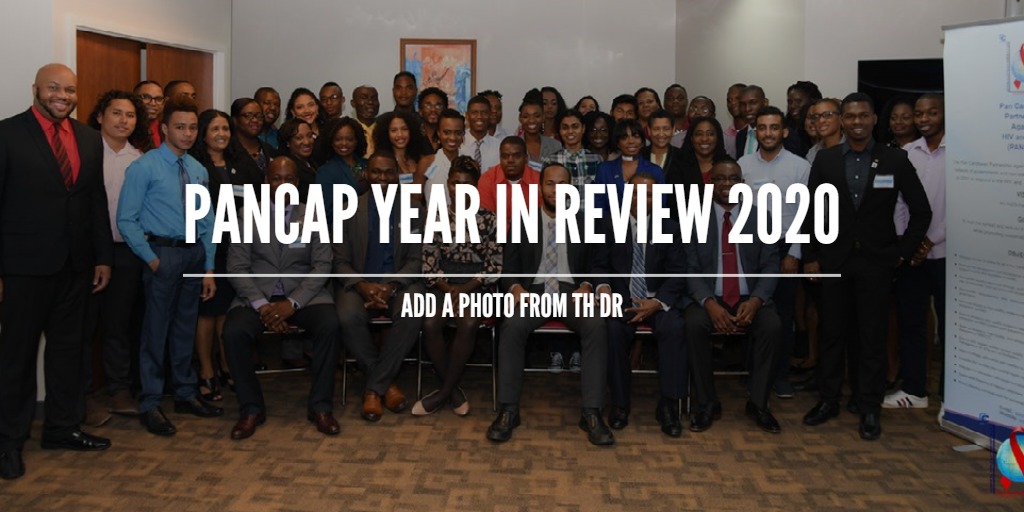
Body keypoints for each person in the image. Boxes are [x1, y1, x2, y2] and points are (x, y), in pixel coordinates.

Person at [0, 64, 114, 480]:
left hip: (76, 267)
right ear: (36, 89)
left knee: (69, 353)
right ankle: (8, 441)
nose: (62, 96)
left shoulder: (88, 138)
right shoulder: (7, 134)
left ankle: (62, 428)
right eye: (53, 88)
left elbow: (95, 200)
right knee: (17, 358)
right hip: (22, 268)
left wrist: (103, 257)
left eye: (69, 89)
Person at [801, 92, 932, 441]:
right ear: (842, 121)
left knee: (872, 337)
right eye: (850, 116)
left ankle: (869, 405)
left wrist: (902, 253)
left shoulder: (895, 159)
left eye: (863, 116)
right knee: (832, 334)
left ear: (874, 119)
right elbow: (811, 211)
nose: (857, 122)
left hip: (877, 264)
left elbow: (922, 211)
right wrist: (811, 256)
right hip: (834, 260)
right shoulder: (827, 159)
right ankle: (828, 400)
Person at [117, 97, 223, 437]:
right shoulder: (144, 167)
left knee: (184, 328)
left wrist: (209, 268)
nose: (187, 133)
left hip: (194, 255)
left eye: (192, 127)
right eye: (180, 127)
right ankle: (150, 401)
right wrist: (151, 259)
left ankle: (185, 393)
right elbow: (126, 219)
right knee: (155, 331)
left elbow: (207, 222)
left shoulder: (198, 169)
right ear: (164, 128)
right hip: (162, 254)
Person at [486, 163, 613, 446]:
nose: (556, 190)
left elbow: (596, 265)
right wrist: (516, 289)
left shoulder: (586, 221)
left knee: (595, 324)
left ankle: (592, 412)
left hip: (571, 292)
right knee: (512, 326)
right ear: (540, 188)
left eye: (562, 183)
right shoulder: (523, 220)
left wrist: (587, 285)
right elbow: (509, 269)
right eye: (550, 183)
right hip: (534, 292)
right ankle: (509, 410)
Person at [222, 156, 341, 440]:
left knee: (331, 325)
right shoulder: (245, 214)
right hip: (258, 296)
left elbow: (322, 265)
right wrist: (263, 306)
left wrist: (293, 303)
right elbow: (236, 267)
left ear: (297, 183)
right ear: (267, 182)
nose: (283, 184)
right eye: (277, 178)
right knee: (233, 331)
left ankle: (320, 406)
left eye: (289, 179)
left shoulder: (312, 214)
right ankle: (251, 408)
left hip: (304, 295)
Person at [684, 157, 782, 434]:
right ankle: (707, 403)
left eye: (733, 178)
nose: (727, 184)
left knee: (772, 326)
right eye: (720, 178)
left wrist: (756, 300)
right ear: (710, 183)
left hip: (749, 297)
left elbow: (771, 265)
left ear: (742, 183)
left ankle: (759, 404)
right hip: (708, 297)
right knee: (692, 325)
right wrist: (709, 303)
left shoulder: (761, 216)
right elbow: (689, 268)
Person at [592, 173, 689, 438]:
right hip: (623, 300)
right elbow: (599, 265)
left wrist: (656, 303)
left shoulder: (670, 227)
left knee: (675, 328)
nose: (641, 199)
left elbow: (678, 272)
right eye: (635, 192)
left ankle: (668, 405)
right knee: (612, 330)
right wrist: (603, 289)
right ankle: (620, 404)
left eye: (648, 194)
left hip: (657, 299)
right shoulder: (609, 224)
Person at [333, 152, 425, 422]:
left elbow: (417, 259)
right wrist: (362, 285)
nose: (382, 177)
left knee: (413, 309)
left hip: (399, 283)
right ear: (366, 175)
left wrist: (391, 285)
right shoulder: (348, 210)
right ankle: (385, 384)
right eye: (376, 172)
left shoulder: (413, 210)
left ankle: (373, 389)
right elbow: (339, 261)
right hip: (359, 283)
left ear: (397, 176)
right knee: (346, 316)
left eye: (388, 172)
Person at [84, 90, 152, 421]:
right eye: (116, 113)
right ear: (100, 116)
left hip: (126, 251)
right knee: (82, 325)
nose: (123, 120)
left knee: (118, 323)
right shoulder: (83, 152)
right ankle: (82, 394)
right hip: (85, 251)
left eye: (130, 115)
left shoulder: (140, 160)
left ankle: (119, 388)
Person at [415, 156, 502, 416]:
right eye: (455, 183)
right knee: (430, 323)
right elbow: (428, 261)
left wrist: (464, 289)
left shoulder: (489, 219)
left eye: (467, 184)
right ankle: (452, 391)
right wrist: (449, 288)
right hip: (442, 283)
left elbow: (495, 265)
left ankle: (442, 393)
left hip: (477, 285)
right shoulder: (436, 216)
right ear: (448, 184)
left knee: (468, 322)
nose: (459, 189)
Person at [189, 108, 264, 402]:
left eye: (225, 129)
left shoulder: (240, 164)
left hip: (238, 248)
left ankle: (225, 364)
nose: (221, 134)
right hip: (208, 249)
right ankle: (206, 370)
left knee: (227, 311)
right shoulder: (195, 166)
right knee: (207, 312)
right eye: (215, 129)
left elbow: (257, 199)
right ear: (203, 134)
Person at [738, 106, 811, 399]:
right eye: (762, 128)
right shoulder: (742, 165)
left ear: (784, 131)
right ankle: (753, 373)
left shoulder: (799, 166)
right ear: (755, 132)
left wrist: (794, 253)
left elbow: (805, 214)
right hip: (748, 248)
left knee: (782, 314)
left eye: (774, 127)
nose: (768, 133)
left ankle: (779, 376)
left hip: (783, 247)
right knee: (749, 309)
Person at [885, 94, 946, 409]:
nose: (924, 119)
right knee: (912, 322)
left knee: (951, 327)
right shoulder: (907, 154)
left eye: (931, 113)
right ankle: (915, 390)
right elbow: (897, 202)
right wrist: (906, 243)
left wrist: (930, 239)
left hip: (948, 253)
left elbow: (964, 203)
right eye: (919, 113)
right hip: (911, 254)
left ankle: (952, 396)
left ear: (944, 114)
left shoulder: (959, 154)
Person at [593, 119, 664, 213]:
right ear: (617, 143)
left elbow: (660, 206)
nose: (631, 141)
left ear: (642, 141)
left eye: (636, 136)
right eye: (624, 137)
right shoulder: (604, 169)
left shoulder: (655, 171)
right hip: (610, 221)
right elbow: (598, 204)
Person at [644, 110, 704, 217]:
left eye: (666, 129)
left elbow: (696, 194)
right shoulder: (640, 156)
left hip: (676, 220)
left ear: (673, 130)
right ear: (649, 130)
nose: (661, 134)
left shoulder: (685, 158)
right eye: (656, 129)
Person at [315, 116, 369, 220]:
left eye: (349, 139)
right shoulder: (325, 172)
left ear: (356, 141)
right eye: (338, 139)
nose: (344, 143)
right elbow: (326, 212)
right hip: (345, 226)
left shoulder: (367, 164)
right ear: (331, 141)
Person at [478, 136, 541, 221]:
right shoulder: (487, 180)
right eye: (505, 156)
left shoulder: (538, 180)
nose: (510, 160)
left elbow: (540, 219)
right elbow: (488, 220)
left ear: (526, 158)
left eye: (517, 156)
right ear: (500, 158)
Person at [544, 109, 602, 191]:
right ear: (559, 131)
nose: (570, 131)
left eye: (575, 127)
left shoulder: (596, 159)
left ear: (583, 128)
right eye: (565, 128)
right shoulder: (550, 160)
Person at [420, 108, 466, 206]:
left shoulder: (468, 163)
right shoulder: (427, 163)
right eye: (447, 132)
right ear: (438, 133)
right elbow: (415, 200)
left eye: (458, 133)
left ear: (463, 134)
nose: (452, 138)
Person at [373, 110, 431, 183]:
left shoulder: (420, 158)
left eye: (404, 129)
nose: (400, 134)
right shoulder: (383, 162)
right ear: (386, 134)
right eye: (394, 130)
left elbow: (434, 176)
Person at [231, 97, 277, 177]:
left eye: (259, 116)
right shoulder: (228, 151)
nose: (255, 120)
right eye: (248, 115)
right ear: (235, 120)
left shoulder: (270, 151)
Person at [277, 118, 317, 204]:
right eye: (299, 138)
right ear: (288, 142)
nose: (307, 142)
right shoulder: (288, 168)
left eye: (309, 136)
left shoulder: (313, 162)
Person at [459, 94, 500, 170]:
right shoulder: (459, 143)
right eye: (474, 112)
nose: (479, 117)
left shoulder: (499, 146)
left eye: (484, 113)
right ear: (467, 115)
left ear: (490, 115)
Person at [520, 98, 562, 170]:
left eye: (537, 116)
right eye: (526, 117)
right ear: (520, 119)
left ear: (543, 117)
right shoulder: (513, 145)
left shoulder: (555, 145)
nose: (531, 120)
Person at [783, 81, 821, 157]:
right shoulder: (786, 130)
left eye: (798, 101)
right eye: (789, 102)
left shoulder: (820, 126)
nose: (792, 106)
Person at [804, 98, 845, 164]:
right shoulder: (813, 152)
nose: (821, 120)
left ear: (840, 118)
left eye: (827, 115)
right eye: (816, 117)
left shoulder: (853, 146)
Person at [734, 85, 769, 157]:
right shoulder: (740, 136)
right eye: (743, 104)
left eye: (753, 102)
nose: (747, 109)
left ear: (765, 103)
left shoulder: (778, 135)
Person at [350, 85, 381, 156]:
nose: (370, 102)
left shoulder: (386, 128)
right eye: (364, 98)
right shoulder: (349, 129)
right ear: (353, 103)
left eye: (374, 98)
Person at [134, 80, 164, 147]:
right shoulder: (127, 127)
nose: (153, 103)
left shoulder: (166, 129)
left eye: (158, 99)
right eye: (146, 97)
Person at [418, 87, 448, 151]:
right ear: (420, 111)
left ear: (445, 110)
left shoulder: (451, 136)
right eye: (428, 106)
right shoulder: (413, 135)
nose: (433, 110)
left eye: (438, 106)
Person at [722, 83, 747, 158]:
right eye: (729, 100)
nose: (733, 103)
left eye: (738, 99)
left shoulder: (755, 133)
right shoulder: (725, 136)